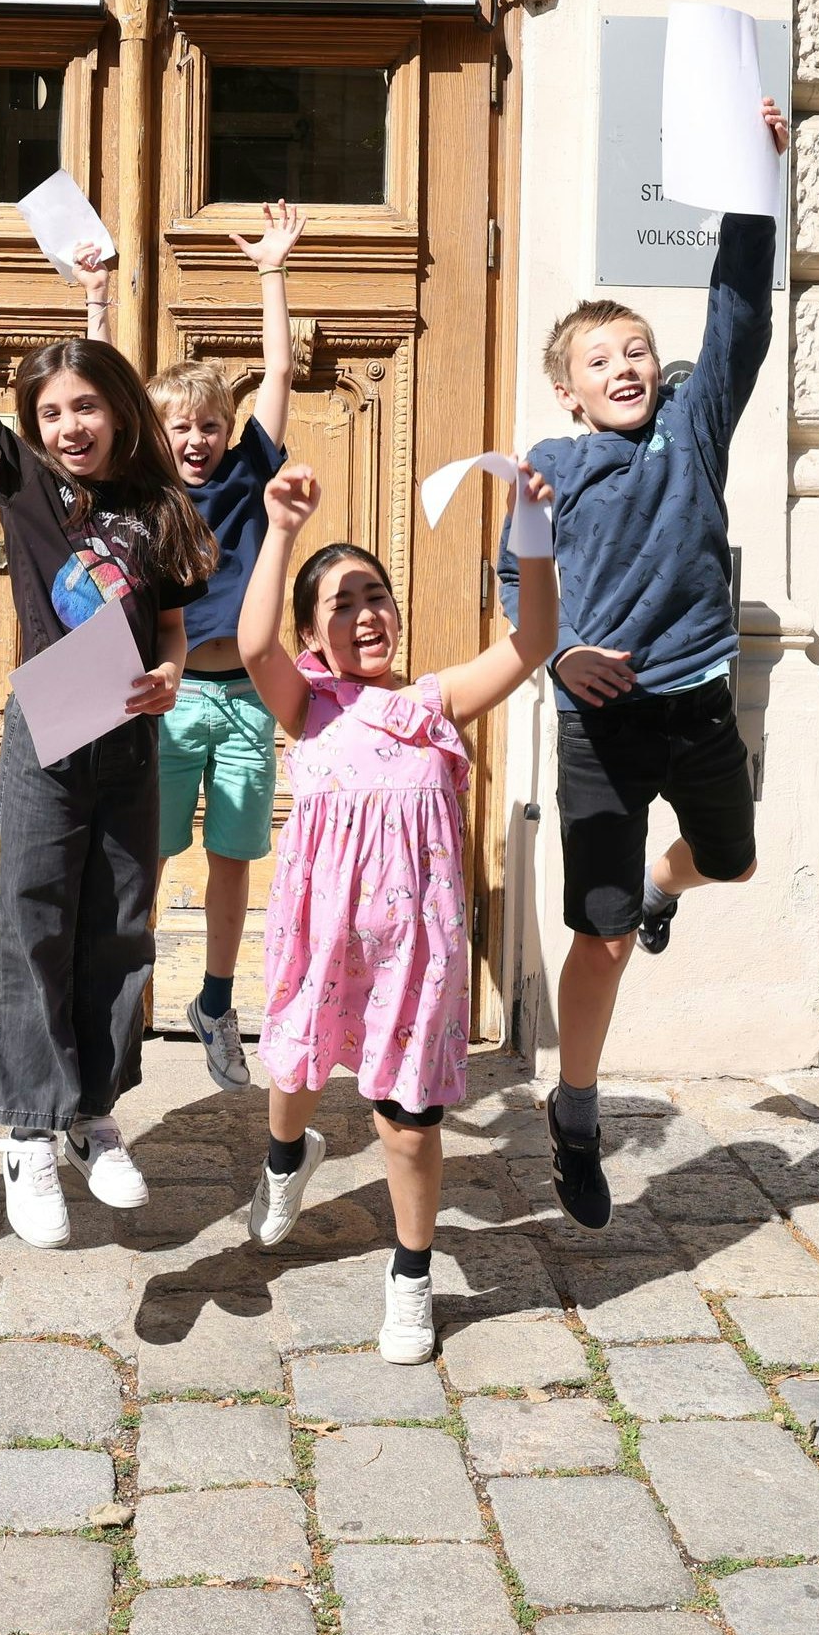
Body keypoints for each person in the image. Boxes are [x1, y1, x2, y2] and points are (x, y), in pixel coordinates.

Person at [0, 218, 213, 1246]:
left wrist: (167, 674)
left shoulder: (155, 502)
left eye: (84, 406)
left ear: (118, 412)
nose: (69, 423)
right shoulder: (30, 488)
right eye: (50, 411)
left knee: (120, 919)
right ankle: (27, 1128)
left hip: (129, 725)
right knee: (36, 918)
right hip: (50, 715)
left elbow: (167, 623)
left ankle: (92, 1113)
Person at [508, 94, 790, 1230]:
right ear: (567, 390)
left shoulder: (693, 425)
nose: (625, 365)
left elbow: (737, 311)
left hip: (699, 705)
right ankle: (575, 1114)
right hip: (602, 727)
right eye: (598, 358)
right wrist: (561, 660)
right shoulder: (549, 466)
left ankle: (670, 888)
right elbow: (511, 595)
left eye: (637, 350)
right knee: (603, 932)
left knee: (731, 864)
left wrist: (752, 185)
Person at [231, 463, 557, 1364]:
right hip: (322, 937)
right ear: (313, 635)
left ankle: (411, 1276)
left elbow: (533, 639)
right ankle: (287, 1156)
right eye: (342, 605)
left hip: (417, 949)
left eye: (377, 596)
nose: (366, 613)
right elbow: (253, 642)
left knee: (408, 1120)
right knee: (292, 1073)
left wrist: (529, 527)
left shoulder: (433, 703)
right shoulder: (308, 706)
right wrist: (283, 529)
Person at [145, 201, 308, 1089]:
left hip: (244, 699)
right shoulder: (145, 499)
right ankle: (123, 994)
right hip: (170, 703)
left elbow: (277, 371)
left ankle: (215, 998)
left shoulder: (249, 473)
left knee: (234, 859)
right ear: (157, 437)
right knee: (150, 851)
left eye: (210, 425)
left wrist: (272, 273)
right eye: (182, 428)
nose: (199, 441)